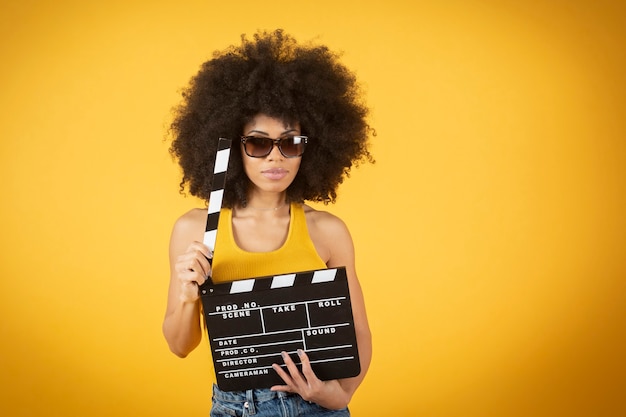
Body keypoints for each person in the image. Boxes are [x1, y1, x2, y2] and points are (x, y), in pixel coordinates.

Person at [162, 29, 374, 416]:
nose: (275, 158)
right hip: (234, 406)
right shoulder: (196, 230)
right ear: (232, 147)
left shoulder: (326, 230)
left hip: (316, 407)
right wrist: (187, 295)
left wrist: (340, 396)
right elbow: (179, 346)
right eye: (259, 143)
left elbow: (358, 333)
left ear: (309, 150)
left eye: (290, 143)